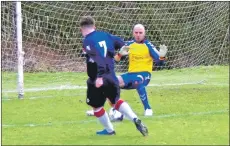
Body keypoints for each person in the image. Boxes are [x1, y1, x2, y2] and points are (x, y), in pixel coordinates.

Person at [80, 16, 148, 136]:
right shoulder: (105, 35)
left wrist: (99, 77)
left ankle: (109, 130)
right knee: (114, 102)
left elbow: (99, 58)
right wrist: (119, 53)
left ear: (81, 29)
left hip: (97, 78)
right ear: (94, 27)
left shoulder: (88, 41)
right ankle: (135, 118)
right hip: (111, 76)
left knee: (96, 107)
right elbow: (122, 44)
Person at [86, 24, 167, 118]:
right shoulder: (129, 45)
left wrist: (162, 56)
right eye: (136, 32)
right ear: (133, 33)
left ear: (144, 33)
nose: (138, 35)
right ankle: (99, 109)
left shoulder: (148, 45)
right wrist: (120, 54)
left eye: (140, 33)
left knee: (138, 80)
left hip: (145, 75)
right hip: (130, 74)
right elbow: (115, 60)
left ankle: (148, 109)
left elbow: (160, 63)